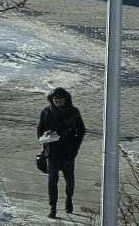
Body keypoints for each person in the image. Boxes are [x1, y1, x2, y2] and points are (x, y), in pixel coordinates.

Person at [37, 87, 86, 219]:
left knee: (69, 180)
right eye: (56, 101)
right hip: (52, 152)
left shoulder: (73, 112)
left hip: (68, 152)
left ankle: (69, 199)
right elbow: (40, 130)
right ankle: (52, 207)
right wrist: (44, 135)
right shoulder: (46, 112)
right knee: (52, 180)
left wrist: (75, 147)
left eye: (61, 101)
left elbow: (81, 130)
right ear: (51, 101)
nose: (58, 103)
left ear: (66, 100)